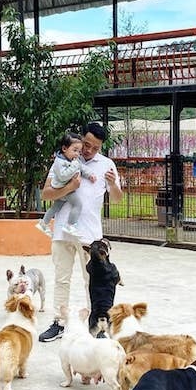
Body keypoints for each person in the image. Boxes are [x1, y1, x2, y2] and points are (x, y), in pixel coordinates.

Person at [37, 122, 123, 343]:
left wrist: (113, 185)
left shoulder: (106, 165)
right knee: (61, 278)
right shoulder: (63, 160)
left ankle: (98, 325)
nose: (89, 150)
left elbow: (117, 199)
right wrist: (69, 188)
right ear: (80, 139)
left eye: (95, 147)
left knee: (94, 282)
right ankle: (59, 323)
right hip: (63, 231)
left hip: (90, 236)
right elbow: (46, 193)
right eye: (86, 144)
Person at [35, 131, 97, 237]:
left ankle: (44, 223)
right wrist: (74, 169)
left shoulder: (73, 160)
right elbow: (63, 176)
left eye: (79, 152)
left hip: (64, 187)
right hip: (64, 187)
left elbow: (81, 167)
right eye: (75, 150)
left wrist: (89, 174)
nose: (77, 154)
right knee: (78, 205)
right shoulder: (59, 162)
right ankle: (70, 225)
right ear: (64, 148)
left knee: (55, 207)